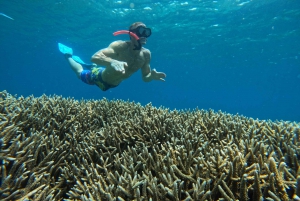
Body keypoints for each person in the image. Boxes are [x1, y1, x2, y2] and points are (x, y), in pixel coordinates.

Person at [59, 22, 166, 91]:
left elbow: (145, 78)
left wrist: (151, 77)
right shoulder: (120, 46)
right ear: (132, 34)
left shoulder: (146, 54)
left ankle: (93, 67)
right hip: (98, 78)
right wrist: (112, 62)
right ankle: (68, 55)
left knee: (94, 66)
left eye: (147, 32)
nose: (145, 35)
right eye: (141, 31)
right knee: (79, 73)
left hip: (114, 85)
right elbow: (95, 57)